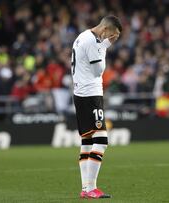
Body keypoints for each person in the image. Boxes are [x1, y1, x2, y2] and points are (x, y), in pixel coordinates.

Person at [71, 15, 121, 199]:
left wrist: (104, 44)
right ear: (106, 29)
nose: (111, 38)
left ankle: (86, 188)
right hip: (91, 96)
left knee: (87, 142)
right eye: (112, 35)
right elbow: (98, 70)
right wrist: (105, 47)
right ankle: (91, 187)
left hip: (80, 94)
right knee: (101, 141)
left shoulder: (82, 36)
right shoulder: (92, 41)